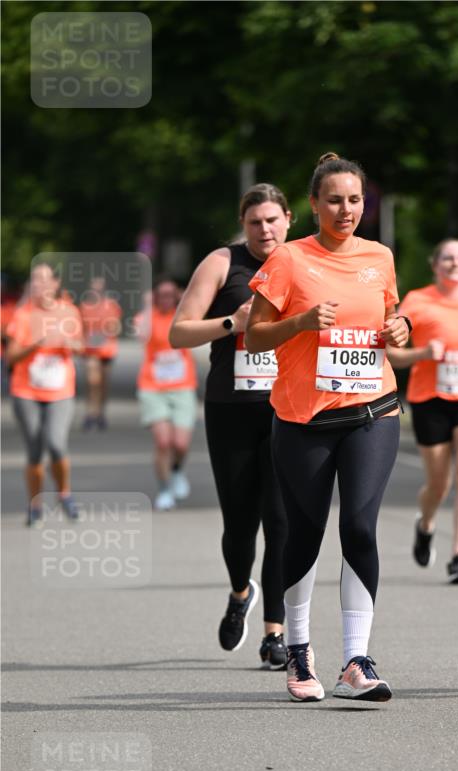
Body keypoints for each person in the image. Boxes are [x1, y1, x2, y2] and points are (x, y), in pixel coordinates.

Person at [245, 152, 410, 703]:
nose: (346, 210)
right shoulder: (290, 259)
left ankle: (357, 661)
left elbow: (391, 320)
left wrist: (400, 329)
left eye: (355, 200)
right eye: (335, 200)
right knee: (306, 533)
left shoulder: (380, 256)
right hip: (303, 419)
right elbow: (255, 338)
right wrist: (300, 322)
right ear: (313, 205)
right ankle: (297, 650)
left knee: (360, 526)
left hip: (373, 409)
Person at [170, 184, 292, 668]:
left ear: (289, 220)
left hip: (289, 409)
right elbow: (179, 331)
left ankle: (275, 634)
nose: (264, 229)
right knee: (240, 524)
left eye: (272, 220)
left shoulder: (307, 262)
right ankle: (241, 591)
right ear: (244, 225)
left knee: (281, 524)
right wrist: (232, 323)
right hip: (231, 408)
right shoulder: (223, 262)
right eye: (254, 222)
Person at [387, 240, 458, 584]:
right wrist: (422, 353)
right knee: (439, 484)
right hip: (430, 398)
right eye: (448, 258)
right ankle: (425, 524)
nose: (455, 263)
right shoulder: (417, 302)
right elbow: (394, 355)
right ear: (435, 265)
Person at [5, 262, 84, 525]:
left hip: (60, 390)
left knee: (56, 444)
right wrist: (36, 343)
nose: (39, 284)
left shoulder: (69, 311)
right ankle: (35, 503)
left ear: (55, 283)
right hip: (26, 390)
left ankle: (64, 494)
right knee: (35, 450)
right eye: (35, 279)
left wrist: (69, 343)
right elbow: (10, 358)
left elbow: (81, 346)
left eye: (44, 279)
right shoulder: (23, 315)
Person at [135, 279, 197, 511]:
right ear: (154, 296)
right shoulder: (147, 317)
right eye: (161, 294)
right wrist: (146, 305)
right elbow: (140, 334)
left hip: (182, 386)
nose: (166, 299)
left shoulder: (184, 316)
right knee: (163, 442)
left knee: (180, 444)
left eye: (171, 294)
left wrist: (185, 300)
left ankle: (178, 470)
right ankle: (164, 489)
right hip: (153, 387)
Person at [80, 275, 122, 430]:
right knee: (92, 382)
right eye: (94, 285)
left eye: (100, 286)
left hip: (107, 348)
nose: (97, 288)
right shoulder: (84, 306)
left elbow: (116, 327)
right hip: (90, 349)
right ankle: (90, 413)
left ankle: (100, 413)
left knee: (103, 384)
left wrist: (108, 329)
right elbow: (80, 328)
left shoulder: (111, 306)